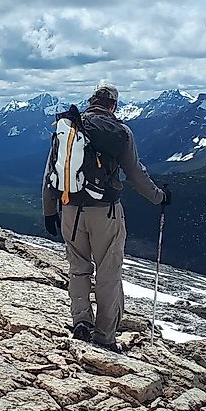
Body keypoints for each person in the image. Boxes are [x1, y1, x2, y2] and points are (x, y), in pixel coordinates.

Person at [43, 83, 170, 352]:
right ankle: (104, 336)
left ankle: (81, 320)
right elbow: (135, 173)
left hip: (70, 209)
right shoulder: (121, 132)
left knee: (78, 268)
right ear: (113, 105)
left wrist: (49, 210)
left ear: (91, 101)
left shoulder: (70, 128)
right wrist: (160, 197)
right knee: (108, 273)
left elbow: (51, 171)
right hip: (106, 212)